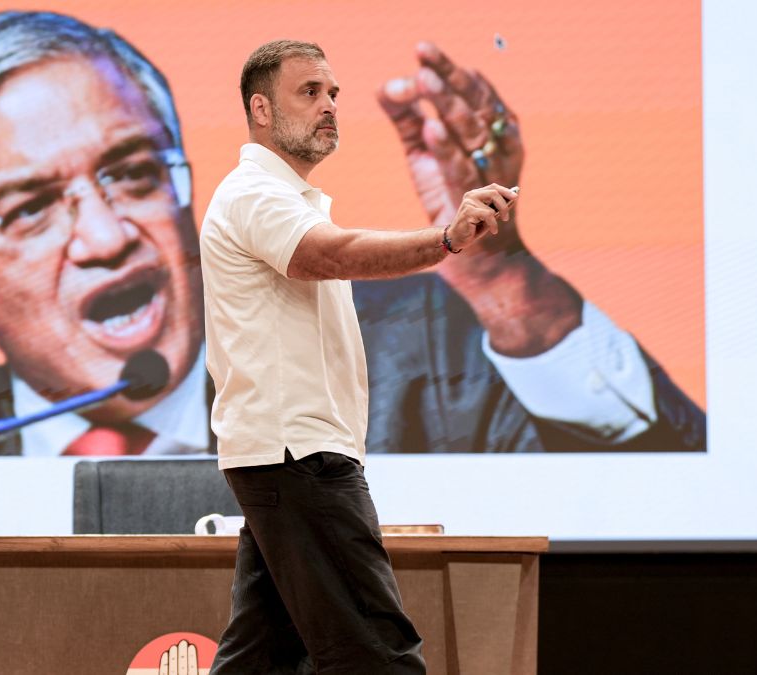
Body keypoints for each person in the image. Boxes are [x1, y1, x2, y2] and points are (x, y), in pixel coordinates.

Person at [0, 10, 704, 458]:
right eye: (31, 206)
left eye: (130, 171)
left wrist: (494, 275)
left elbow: (663, 485)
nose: (111, 234)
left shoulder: (432, 350)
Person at [203, 39, 525, 673]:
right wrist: (446, 239)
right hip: (298, 456)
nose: (329, 106)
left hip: (286, 456)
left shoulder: (284, 199)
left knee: (262, 658)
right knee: (377, 654)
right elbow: (330, 253)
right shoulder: (253, 195)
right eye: (310, 93)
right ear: (260, 109)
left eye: (333, 94)